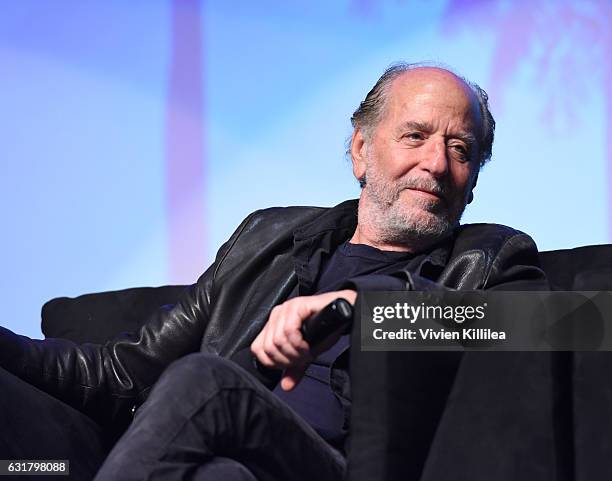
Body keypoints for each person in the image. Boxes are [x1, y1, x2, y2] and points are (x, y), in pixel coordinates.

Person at [0, 63, 547, 481]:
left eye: (460, 149)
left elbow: (565, 325)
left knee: (204, 381)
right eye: (415, 136)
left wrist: (363, 309)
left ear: (472, 179)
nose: (435, 163)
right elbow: (126, 371)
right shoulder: (268, 240)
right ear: (360, 149)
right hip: (235, 462)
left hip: (346, 468)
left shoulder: (492, 259)